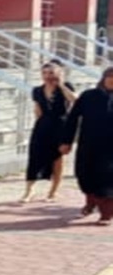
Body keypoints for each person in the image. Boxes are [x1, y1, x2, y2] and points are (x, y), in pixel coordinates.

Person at [60, 66, 113, 226]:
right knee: (85, 175)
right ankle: (91, 202)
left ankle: (106, 214)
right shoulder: (88, 96)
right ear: (104, 78)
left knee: (107, 179)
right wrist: (66, 141)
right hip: (89, 145)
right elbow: (72, 118)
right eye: (110, 76)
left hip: (110, 148)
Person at [20, 62, 76, 203]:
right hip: (43, 126)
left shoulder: (66, 87)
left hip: (61, 126)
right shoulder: (37, 91)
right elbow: (37, 110)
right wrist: (39, 124)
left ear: (58, 73)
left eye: (51, 73)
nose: (48, 76)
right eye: (44, 73)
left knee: (57, 159)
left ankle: (53, 192)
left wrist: (61, 85)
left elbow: (75, 100)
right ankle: (29, 190)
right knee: (34, 157)